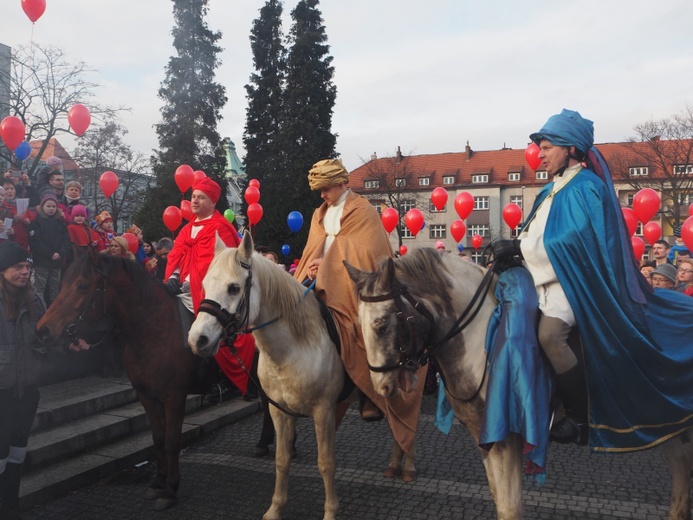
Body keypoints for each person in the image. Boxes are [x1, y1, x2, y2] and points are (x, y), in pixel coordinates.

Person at [491, 109, 693, 450]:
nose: (539, 154)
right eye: (540, 147)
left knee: (550, 336)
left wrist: (519, 248)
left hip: (572, 283)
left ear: (571, 148)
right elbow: (538, 232)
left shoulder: (587, 187)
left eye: (547, 146)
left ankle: (578, 419)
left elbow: (573, 242)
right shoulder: (551, 188)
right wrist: (514, 250)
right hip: (544, 278)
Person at [293, 159, 426, 457]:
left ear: (341, 183)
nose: (322, 195)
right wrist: (312, 268)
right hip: (319, 281)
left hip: (354, 284)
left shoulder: (363, 209)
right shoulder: (320, 213)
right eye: (320, 190)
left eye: (325, 188)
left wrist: (326, 263)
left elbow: (369, 254)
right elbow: (313, 247)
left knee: (367, 329)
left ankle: (367, 391)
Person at [164, 177, 255, 401]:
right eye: (193, 196)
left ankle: (224, 380)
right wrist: (175, 276)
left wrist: (191, 282)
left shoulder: (220, 228)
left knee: (215, 325)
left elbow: (224, 267)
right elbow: (177, 257)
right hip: (183, 289)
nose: (194, 201)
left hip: (209, 293)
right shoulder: (186, 230)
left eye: (200, 197)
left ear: (213, 202)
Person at [0, 241, 46, 519]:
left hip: (27, 390)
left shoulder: (37, 300)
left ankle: (10, 504)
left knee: (18, 449)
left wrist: (69, 343)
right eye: (18, 267)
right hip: (1, 390)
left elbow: (47, 335)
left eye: (28, 267)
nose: (25, 272)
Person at [27, 194, 71, 306]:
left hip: (57, 262)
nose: (51, 209)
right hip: (42, 261)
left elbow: (66, 240)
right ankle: (38, 310)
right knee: (39, 289)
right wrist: (50, 253)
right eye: (48, 206)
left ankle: (53, 312)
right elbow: (35, 242)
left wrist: (60, 253)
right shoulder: (36, 223)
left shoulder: (60, 223)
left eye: (53, 206)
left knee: (55, 290)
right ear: (42, 207)